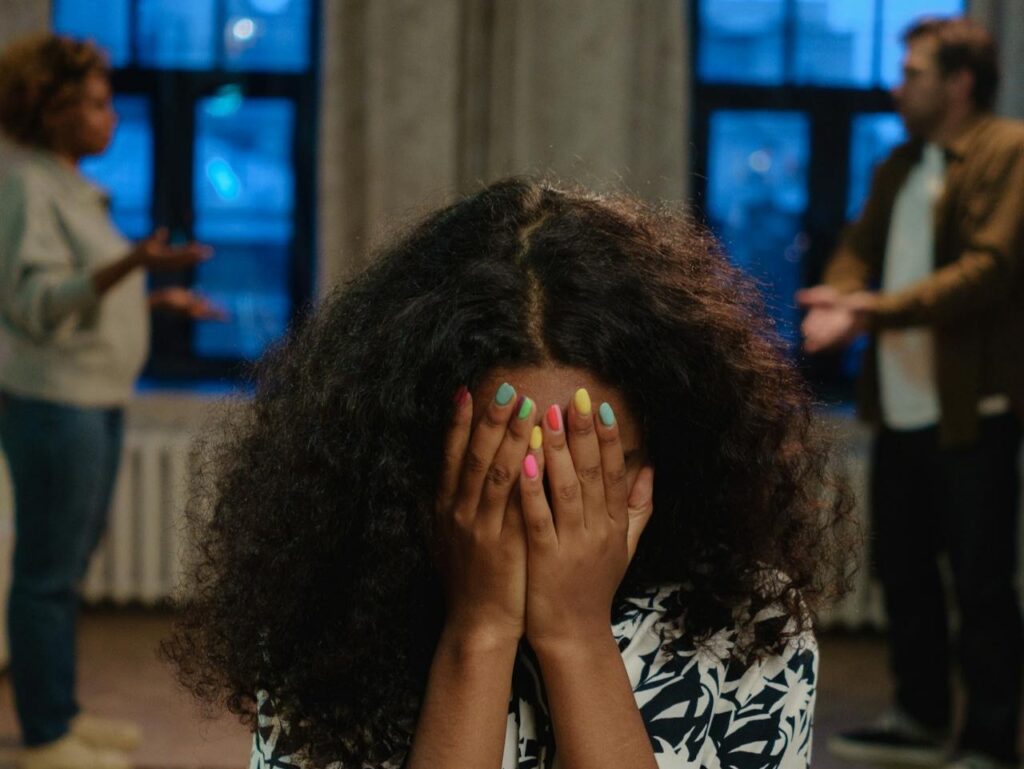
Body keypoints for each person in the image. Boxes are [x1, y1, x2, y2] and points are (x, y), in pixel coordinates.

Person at [163, 177, 854, 769]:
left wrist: (575, 633)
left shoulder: (749, 616)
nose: (546, 512)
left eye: (594, 468)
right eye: (504, 466)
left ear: (666, 457)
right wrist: (480, 629)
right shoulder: (330, 600)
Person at [797, 17, 1024, 769]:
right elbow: (858, 245)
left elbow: (989, 270)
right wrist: (839, 295)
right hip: (897, 406)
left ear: (959, 83)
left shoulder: (1008, 151)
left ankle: (989, 739)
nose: (899, 85)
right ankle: (920, 720)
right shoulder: (897, 163)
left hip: (972, 413)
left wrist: (867, 310)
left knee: (982, 583)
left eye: (915, 71)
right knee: (905, 572)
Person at [0, 33, 223, 769]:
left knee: (66, 569)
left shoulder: (66, 184)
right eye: (96, 103)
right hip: (54, 401)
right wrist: (135, 260)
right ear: (50, 107)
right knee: (47, 574)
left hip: (91, 397)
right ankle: (45, 735)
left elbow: (84, 292)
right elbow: (34, 303)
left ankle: (60, 712)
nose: (112, 117)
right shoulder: (25, 183)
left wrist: (157, 294)